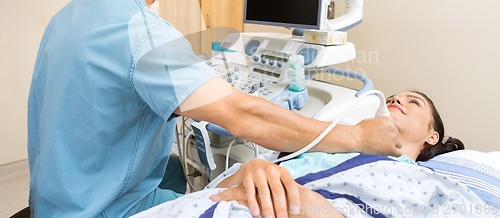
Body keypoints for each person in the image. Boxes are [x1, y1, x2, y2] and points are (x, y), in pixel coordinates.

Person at [27, 0, 402, 218]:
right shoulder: (145, 33)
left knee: (180, 169)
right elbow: (242, 115)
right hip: (104, 209)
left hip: (54, 199)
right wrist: (357, 137)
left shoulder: (68, 15)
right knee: (246, 192)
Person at [142, 90, 465, 218]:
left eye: (413, 103)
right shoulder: (329, 147)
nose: (397, 102)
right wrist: (252, 168)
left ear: (431, 136)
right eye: (393, 97)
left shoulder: (422, 180)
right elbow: (217, 190)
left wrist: (314, 208)